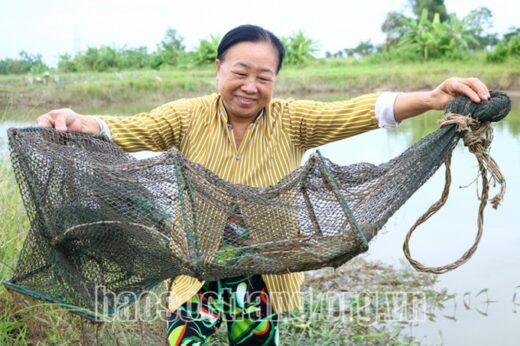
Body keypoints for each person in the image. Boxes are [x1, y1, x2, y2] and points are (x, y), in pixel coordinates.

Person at [38, 24, 490, 346]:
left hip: (265, 272)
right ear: (219, 68)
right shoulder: (185, 116)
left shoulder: (293, 120)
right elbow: (125, 129)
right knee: (184, 340)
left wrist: (431, 99)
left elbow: (362, 110)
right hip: (198, 268)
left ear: (275, 79)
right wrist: (81, 122)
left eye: (264, 76)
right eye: (240, 71)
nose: (250, 85)